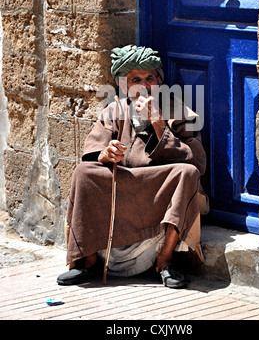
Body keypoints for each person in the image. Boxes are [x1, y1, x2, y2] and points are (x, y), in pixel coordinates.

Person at [57, 44, 208, 288]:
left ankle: (165, 261)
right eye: (135, 79)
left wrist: (159, 123)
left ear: (159, 81)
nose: (145, 85)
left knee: (187, 174)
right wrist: (106, 154)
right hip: (123, 185)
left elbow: (197, 162)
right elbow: (92, 152)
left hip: (158, 188)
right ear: (125, 85)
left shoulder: (179, 111)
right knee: (83, 172)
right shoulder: (113, 110)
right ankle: (88, 261)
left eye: (150, 78)